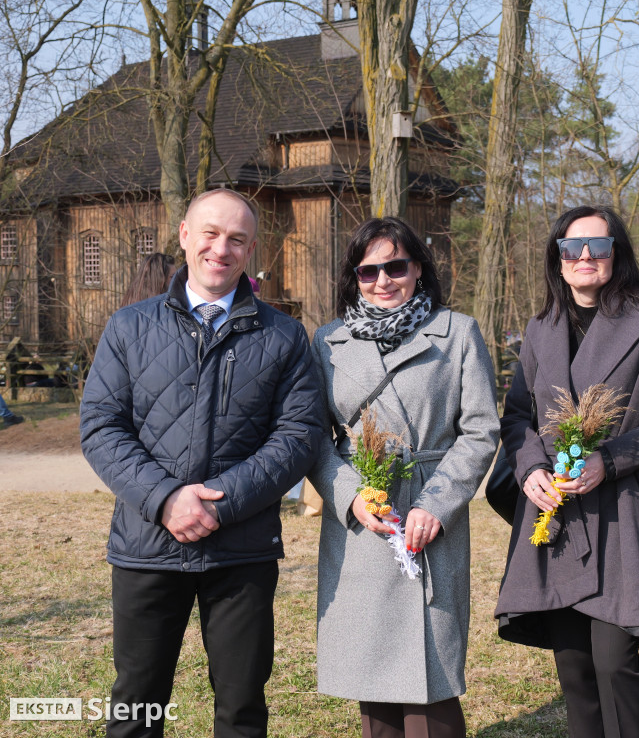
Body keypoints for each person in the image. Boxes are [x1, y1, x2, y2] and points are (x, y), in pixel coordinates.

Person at [80, 189, 323, 737]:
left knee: (241, 708)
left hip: (241, 548)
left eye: (237, 239)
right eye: (210, 233)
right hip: (147, 545)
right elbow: (101, 425)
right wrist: (166, 498)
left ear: (251, 250)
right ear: (185, 236)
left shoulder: (283, 335)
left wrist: (220, 503)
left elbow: (298, 435)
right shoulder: (129, 326)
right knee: (136, 705)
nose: (221, 248)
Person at [493, 204, 639, 738]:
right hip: (557, 515)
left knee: (615, 664)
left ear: (617, 253)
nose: (584, 255)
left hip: (623, 513)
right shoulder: (541, 328)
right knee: (575, 670)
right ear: (557, 257)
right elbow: (518, 417)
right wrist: (531, 468)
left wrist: (609, 460)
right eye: (572, 246)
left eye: (598, 245)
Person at [308, 216, 499, 738]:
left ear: (418, 268)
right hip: (362, 523)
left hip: (428, 514)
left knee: (430, 674)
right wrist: (351, 497)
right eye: (368, 271)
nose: (383, 280)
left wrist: (437, 504)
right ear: (354, 277)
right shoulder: (327, 342)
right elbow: (313, 438)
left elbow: (481, 430)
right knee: (372, 672)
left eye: (395, 266)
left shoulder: (457, 332)